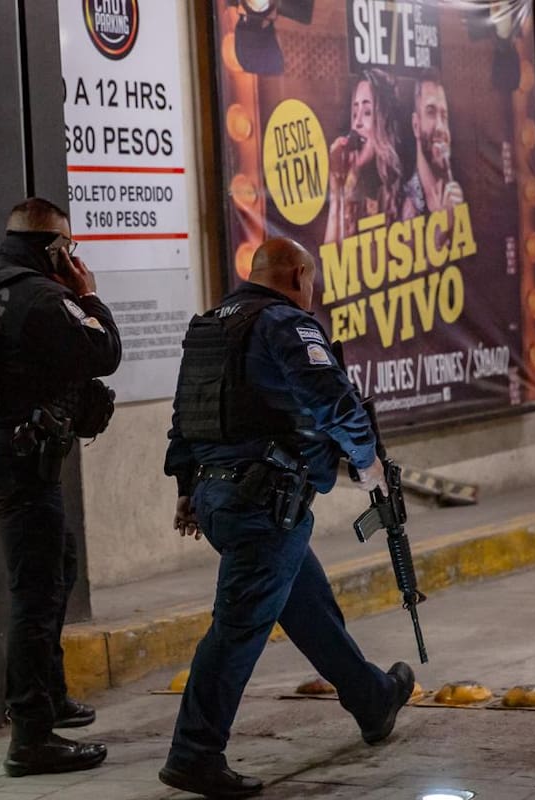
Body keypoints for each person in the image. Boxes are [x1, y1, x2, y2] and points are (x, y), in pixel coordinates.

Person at [159, 237, 415, 798]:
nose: (313, 297)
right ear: (300, 274)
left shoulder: (211, 324)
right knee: (239, 627)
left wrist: (185, 489)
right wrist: (368, 465)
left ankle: (373, 701)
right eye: (313, 285)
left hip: (219, 498)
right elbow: (332, 399)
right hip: (264, 504)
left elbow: (186, 414)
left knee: (310, 609)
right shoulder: (286, 324)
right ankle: (195, 753)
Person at [0, 197, 121, 777]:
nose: (74, 257)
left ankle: (52, 692)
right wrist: (88, 293)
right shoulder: (43, 297)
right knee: (35, 595)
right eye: (70, 249)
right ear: (55, 251)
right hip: (21, 460)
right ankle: (31, 737)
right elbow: (106, 353)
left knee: (56, 564)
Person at [324, 68, 406, 244]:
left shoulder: (403, 195)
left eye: (367, 112)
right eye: (355, 113)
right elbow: (330, 261)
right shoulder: (352, 186)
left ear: (384, 123)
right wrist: (337, 192)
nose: (357, 122)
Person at [401, 71, 465, 220]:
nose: (441, 128)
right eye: (431, 113)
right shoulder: (403, 204)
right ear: (416, 125)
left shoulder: (461, 197)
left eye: (444, 116)